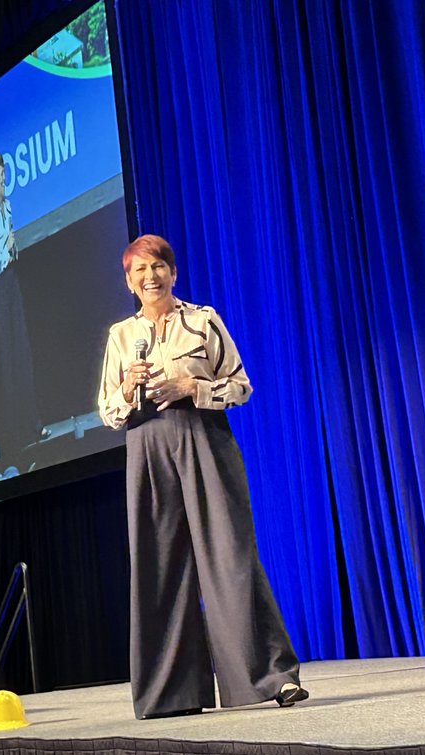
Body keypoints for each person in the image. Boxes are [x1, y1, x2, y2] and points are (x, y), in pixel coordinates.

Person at [97, 234, 308, 719]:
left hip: (203, 438)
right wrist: (128, 389)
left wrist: (192, 385)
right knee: (158, 565)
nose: (150, 277)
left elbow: (241, 385)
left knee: (229, 556)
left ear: (172, 273)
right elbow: (107, 411)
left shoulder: (203, 319)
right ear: (129, 282)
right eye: (140, 271)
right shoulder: (120, 336)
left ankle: (270, 678)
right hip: (147, 446)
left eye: (158, 267)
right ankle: (171, 693)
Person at [0, 152, 47, 461]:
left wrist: (14, 247)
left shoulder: (8, 208)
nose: (5, 180)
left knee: (22, 353)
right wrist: (9, 244)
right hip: (1, 283)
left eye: (6, 174)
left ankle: (33, 425)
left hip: (12, 278)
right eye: (2, 176)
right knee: (10, 360)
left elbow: (12, 250)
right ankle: (16, 434)